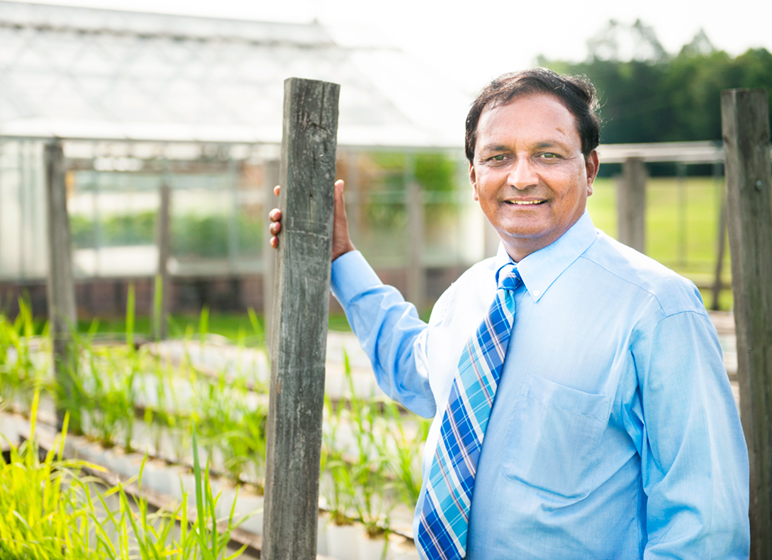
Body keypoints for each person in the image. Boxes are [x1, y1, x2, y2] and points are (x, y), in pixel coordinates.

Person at [268, 68, 749, 559]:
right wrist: (341, 259)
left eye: (548, 154)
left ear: (590, 169)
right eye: (498, 157)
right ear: (475, 179)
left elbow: (704, 527)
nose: (521, 177)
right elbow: (416, 372)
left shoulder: (657, 309)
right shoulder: (470, 295)